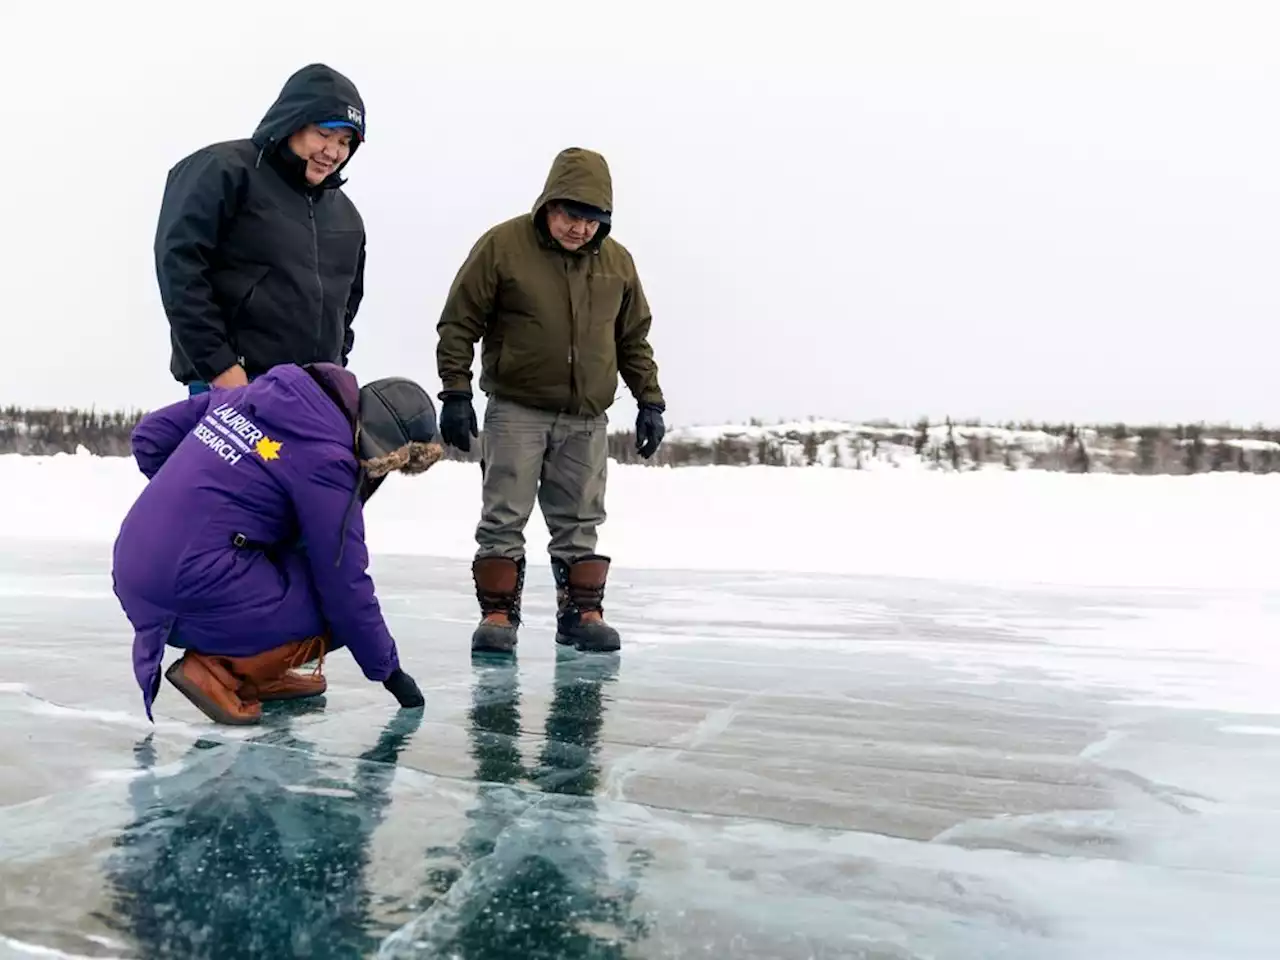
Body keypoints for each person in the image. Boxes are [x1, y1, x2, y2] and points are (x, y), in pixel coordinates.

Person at [111, 362, 442, 725]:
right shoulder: (328, 460)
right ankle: (224, 672)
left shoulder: (246, 395)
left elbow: (150, 436)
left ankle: (262, 672)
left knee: (296, 556)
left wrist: (198, 507)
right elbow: (344, 585)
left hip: (131, 567)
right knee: (331, 607)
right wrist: (389, 672)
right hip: (190, 589)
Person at [434, 146, 667, 656]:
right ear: (549, 204)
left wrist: (650, 400)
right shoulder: (502, 246)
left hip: (586, 418)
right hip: (516, 409)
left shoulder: (618, 262)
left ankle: (582, 613)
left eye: (592, 219)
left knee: (581, 521)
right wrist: (455, 391)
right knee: (503, 517)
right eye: (571, 215)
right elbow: (459, 323)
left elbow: (633, 338)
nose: (580, 228)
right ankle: (498, 615)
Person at [153, 63, 370, 395]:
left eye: (344, 141)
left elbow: (347, 306)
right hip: (233, 384)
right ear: (292, 122)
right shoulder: (224, 171)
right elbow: (180, 268)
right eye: (323, 134)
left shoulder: (346, 215)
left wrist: (335, 365)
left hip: (310, 395)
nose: (333, 151)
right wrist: (220, 366)